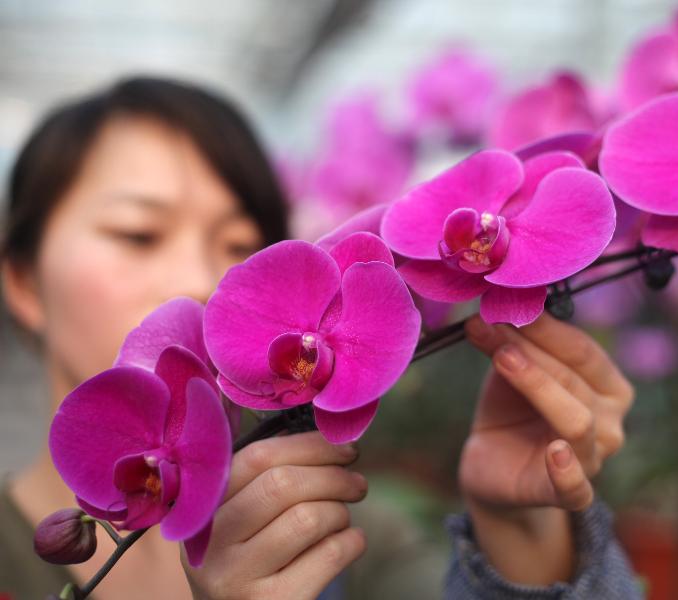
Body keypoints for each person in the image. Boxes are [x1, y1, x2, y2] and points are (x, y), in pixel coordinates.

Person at [0, 77, 641, 599]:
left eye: (241, 247)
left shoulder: (350, 538)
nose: (201, 280)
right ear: (22, 281)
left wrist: (522, 532)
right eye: (138, 234)